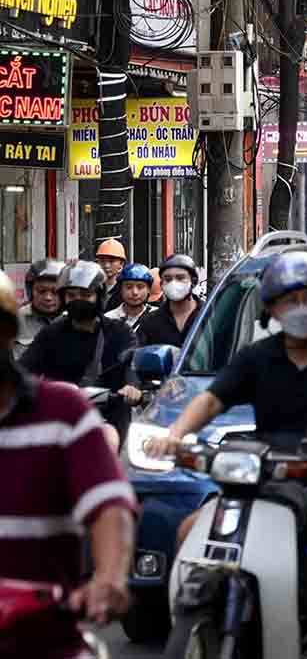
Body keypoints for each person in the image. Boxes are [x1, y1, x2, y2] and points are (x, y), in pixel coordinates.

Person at [145, 251, 307, 659]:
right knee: (187, 531)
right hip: (264, 476)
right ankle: (197, 625)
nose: (302, 308)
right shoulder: (257, 356)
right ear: (271, 308)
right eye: (290, 300)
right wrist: (175, 435)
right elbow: (212, 401)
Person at [0, 272, 138, 657]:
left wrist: (109, 577)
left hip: (45, 634)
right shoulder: (52, 336)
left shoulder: (62, 413)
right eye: (71, 293)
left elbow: (109, 505)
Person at [21, 261, 139, 452]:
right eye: (72, 295)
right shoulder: (51, 334)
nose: (78, 300)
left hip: (106, 417)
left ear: (99, 296)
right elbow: (24, 368)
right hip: (59, 419)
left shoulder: (120, 332)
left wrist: (132, 387)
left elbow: (133, 364)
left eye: (85, 295)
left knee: (105, 442)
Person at [136, 254, 202, 349]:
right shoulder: (149, 322)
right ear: (161, 284)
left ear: (193, 281)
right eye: (168, 279)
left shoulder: (210, 316)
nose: (173, 283)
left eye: (180, 278)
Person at [17, 257, 64, 354]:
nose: (48, 297)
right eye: (41, 291)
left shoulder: (77, 320)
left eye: (55, 292)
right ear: (31, 291)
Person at [105, 263, 156, 334]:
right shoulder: (109, 318)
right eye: (129, 287)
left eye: (140, 287)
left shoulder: (158, 316)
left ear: (148, 290)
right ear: (120, 289)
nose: (135, 292)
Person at [95, 239, 128, 312]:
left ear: (121, 264)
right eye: (102, 261)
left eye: (111, 261)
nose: (106, 265)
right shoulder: (94, 288)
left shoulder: (125, 290)